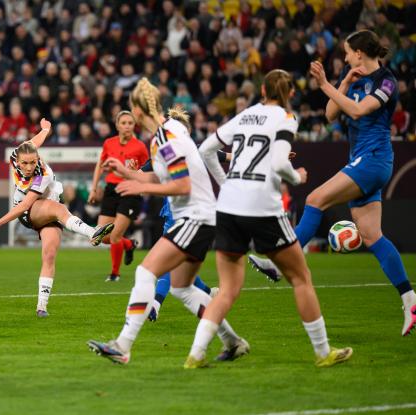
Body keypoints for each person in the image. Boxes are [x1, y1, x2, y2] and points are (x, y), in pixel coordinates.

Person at [248, 30, 416, 337]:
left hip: (374, 158)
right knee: (371, 235)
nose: (346, 57)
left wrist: (325, 85)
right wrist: (342, 83)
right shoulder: (350, 76)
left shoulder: (386, 81)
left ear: (361, 52)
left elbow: (358, 110)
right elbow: (329, 114)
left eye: (348, 52)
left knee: (314, 199)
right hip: (365, 160)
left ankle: (279, 262)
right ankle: (410, 299)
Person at [194, 69, 352, 368]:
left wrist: (226, 182)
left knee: (227, 289)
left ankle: (195, 354)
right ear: (290, 93)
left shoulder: (245, 115)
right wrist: (297, 176)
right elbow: (280, 162)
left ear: (262, 90)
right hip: (261, 207)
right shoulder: (287, 118)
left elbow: (206, 149)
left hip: (228, 205)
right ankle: (322, 352)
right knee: (301, 277)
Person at [87, 78, 248, 365]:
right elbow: (162, 176)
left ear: (137, 111)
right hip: (200, 217)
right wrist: (128, 173)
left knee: (146, 272)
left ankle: (123, 346)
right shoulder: (170, 131)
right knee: (181, 287)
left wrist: (140, 187)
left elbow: (182, 185)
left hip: (194, 217)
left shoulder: (164, 138)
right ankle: (233, 342)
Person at [0, 119, 114, 318]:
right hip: (27, 212)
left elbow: (35, 147)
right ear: (17, 159)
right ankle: (92, 232)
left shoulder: (44, 174)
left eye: (33, 162)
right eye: (24, 163)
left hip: (47, 212)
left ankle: (41, 306)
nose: (28, 167)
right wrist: (45, 129)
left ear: (38, 159)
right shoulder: (17, 156)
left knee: (50, 254)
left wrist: (46, 130)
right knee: (59, 208)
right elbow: (25, 205)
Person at [147, 149, 232, 322]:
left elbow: (227, 156)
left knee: (166, 262)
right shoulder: (163, 151)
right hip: (176, 212)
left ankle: (155, 304)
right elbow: (142, 172)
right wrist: (129, 170)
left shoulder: (194, 149)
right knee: (179, 266)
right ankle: (209, 293)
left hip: (190, 213)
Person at [88, 110, 149, 282]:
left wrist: (141, 182)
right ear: (117, 125)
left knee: (114, 236)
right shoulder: (109, 143)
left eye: (130, 123)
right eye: (124, 123)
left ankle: (115, 273)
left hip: (130, 191)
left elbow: (148, 169)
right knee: (101, 236)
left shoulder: (140, 146)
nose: (127, 126)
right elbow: (100, 166)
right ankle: (129, 244)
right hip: (111, 190)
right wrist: (93, 189)